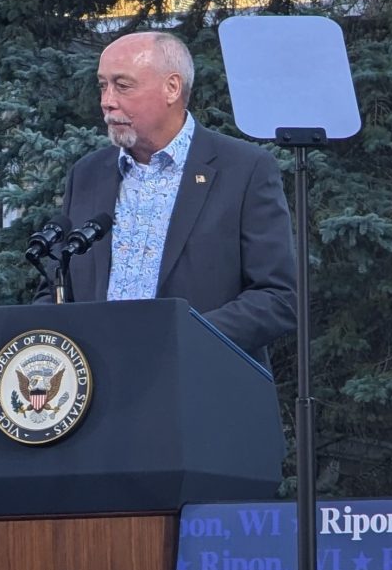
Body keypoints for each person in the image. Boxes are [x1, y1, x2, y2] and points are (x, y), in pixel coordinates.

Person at [40, 31, 297, 366]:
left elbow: (277, 297)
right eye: (102, 85)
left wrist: (180, 339)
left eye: (123, 85)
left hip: (197, 386)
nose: (107, 100)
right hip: (98, 390)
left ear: (172, 88)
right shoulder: (87, 175)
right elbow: (55, 288)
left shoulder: (243, 169)